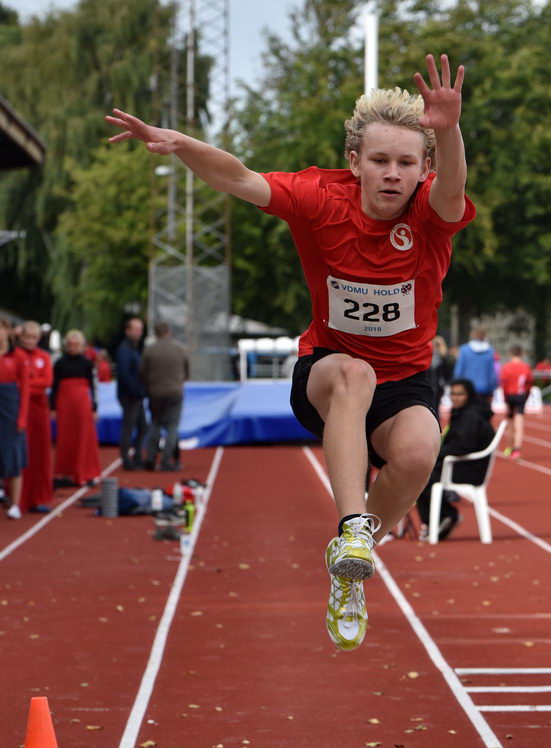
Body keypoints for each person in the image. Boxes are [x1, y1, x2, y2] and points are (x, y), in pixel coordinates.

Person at [107, 52, 474, 652]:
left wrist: (449, 127)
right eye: (379, 160)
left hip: (405, 379)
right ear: (354, 162)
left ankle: (351, 565)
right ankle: (353, 526)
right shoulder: (320, 197)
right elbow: (237, 177)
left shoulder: (431, 215)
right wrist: (182, 144)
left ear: (422, 168)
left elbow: (455, 188)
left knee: (419, 451)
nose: (391, 173)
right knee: (354, 375)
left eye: (406, 162)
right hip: (327, 372)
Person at [416, 378, 494, 540]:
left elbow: (462, 445)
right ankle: (442, 518)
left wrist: (436, 454)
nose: (455, 397)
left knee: (420, 477)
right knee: (420, 474)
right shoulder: (464, 412)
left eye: (460, 394)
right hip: (460, 464)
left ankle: (445, 516)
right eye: (453, 394)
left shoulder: (471, 416)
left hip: (468, 469)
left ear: (469, 395)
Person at [50, 329, 101, 486]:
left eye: (76, 344)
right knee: (65, 439)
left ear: (82, 346)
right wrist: (52, 407)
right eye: (70, 344)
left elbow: (94, 387)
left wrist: (94, 408)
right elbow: (54, 386)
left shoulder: (87, 364)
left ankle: (86, 472)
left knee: (85, 438)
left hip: (82, 405)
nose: (73, 347)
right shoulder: (59, 363)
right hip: (64, 405)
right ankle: (65, 473)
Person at [14, 320, 54, 513]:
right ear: (20, 337)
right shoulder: (15, 356)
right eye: (27, 337)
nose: (30, 341)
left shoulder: (43, 357)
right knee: (19, 451)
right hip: (18, 410)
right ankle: (17, 497)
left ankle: (39, 497)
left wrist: (27, 385)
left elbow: (46, 381)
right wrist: (30, 385)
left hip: (38, 411)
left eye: (34, 337)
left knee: (40, 452)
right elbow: (14, 383)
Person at [140, 322, 189, 471]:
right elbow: (187, 372)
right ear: (169, 332)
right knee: (172, 427)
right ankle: (167, 460)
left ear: (156, 333)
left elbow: (142, 373)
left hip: (155, 393)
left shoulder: (149, 350)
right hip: (174, 392)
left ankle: (150, 458)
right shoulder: (180, 349)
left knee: (155, 425)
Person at [0, 319, 29, 519]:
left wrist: (22, 418)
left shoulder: (18, 356)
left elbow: (25, 390)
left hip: (11, 407)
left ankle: (16, 504)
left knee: (14, 454)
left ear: (8, 332)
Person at [115, 316, 147, 470]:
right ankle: (126, 459)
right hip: (130, 395)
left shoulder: (134, 348)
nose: (138, 333)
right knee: (129, 427)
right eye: (135, 329)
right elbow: (124, 374)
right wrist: (137, 391)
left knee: (142, 426)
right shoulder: (125, 349)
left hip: (136, 394)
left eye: (140, 330)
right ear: (127, 330)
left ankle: (137, 455)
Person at [499, 345, 532, 459]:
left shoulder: (506, 367)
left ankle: (509, 447)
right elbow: (529, 384)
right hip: (521, 395)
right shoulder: (526, 367)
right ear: (521, 354)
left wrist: (505, 399)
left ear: (510, 354)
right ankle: (517, 449)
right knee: (519, 422)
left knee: (510, 422)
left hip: (510, 395)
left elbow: (503, 384)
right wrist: (526, 396)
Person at [453, 324, 497, 404]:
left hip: (466, 390)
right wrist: (492, 389)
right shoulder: (490, 351)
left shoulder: (464, 350)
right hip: (484, 390)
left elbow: (459, 371)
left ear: (472, 334)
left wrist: (456, 387)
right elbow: (492, 374)